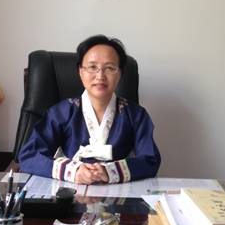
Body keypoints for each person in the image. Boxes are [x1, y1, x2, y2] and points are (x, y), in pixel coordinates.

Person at [18, 35, 161, 184]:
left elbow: (150, 160)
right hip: (69, 189)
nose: (100, 76)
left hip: (119, 192)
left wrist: (110, 172)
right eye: (92, 67)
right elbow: (29, 156)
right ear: (81, 72)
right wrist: (73, 171)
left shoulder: (136, 115)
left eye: (109, 68)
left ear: (120, 73)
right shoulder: (61, 113)